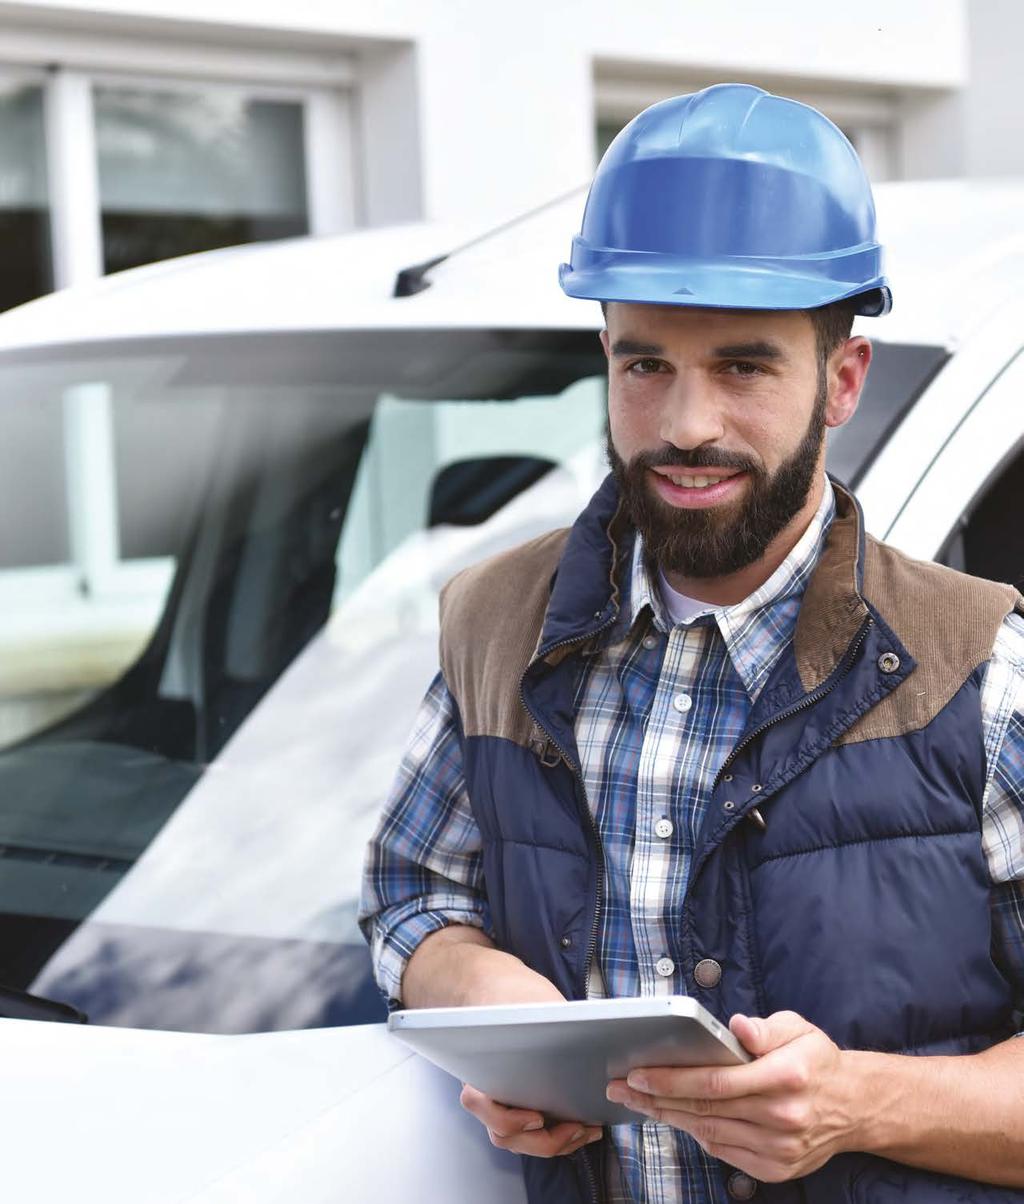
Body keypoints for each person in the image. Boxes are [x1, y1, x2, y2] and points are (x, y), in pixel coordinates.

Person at [358, 83, 1024, 1203]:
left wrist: (859, 1103)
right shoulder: (491, 625)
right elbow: (411, 892)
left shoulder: (977, 672)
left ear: (841, 380)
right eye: (644, 363)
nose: (684, 425)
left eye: (744, 366)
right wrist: (490, 1005)